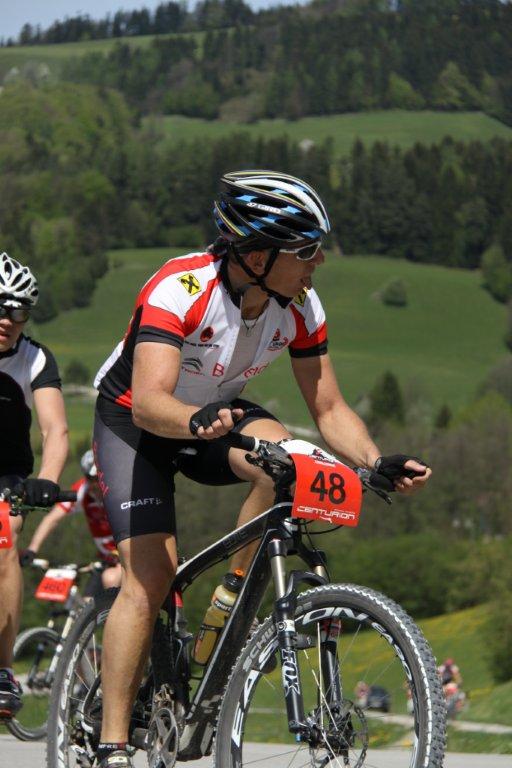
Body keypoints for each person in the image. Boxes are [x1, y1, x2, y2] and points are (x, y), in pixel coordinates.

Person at [92, 170, 432, 768]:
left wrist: (374, 460)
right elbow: (148, 401)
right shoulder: (180, 288)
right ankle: (113, 742)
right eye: (306, 250)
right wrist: (193, 419)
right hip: (137, 423)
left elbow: (328, 408)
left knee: (290, 464)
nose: (319, 261)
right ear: (256, 254)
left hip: (217, 415)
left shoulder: (299, 305)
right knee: (149, 579)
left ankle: (232, 598)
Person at [0, 252, 68, 719]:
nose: (7, 319)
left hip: (6, 474)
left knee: (4, 534)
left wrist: (47, 480)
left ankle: (3, 669)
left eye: (18, 310)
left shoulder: (34, 358)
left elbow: (55, 430)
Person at [20, 450, 121, 592]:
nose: (94, 484)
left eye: (97, 478)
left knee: (110, 579)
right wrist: (32, 549)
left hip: (127, 556)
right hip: (105, 560)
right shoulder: (82, 491)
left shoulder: (120, 492)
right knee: (87, 603)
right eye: (89, 478)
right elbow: (51, 519)